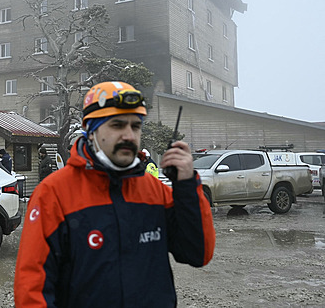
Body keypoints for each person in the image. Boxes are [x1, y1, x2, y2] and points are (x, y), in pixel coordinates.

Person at [14, 81, 215, 307]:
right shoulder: (53, 194)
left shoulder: (154, 190)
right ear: (91, 131)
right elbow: (32, 290)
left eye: (135, 126)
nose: (129, 135)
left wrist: (186, 185)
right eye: (117, 125)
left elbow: (198, 253)